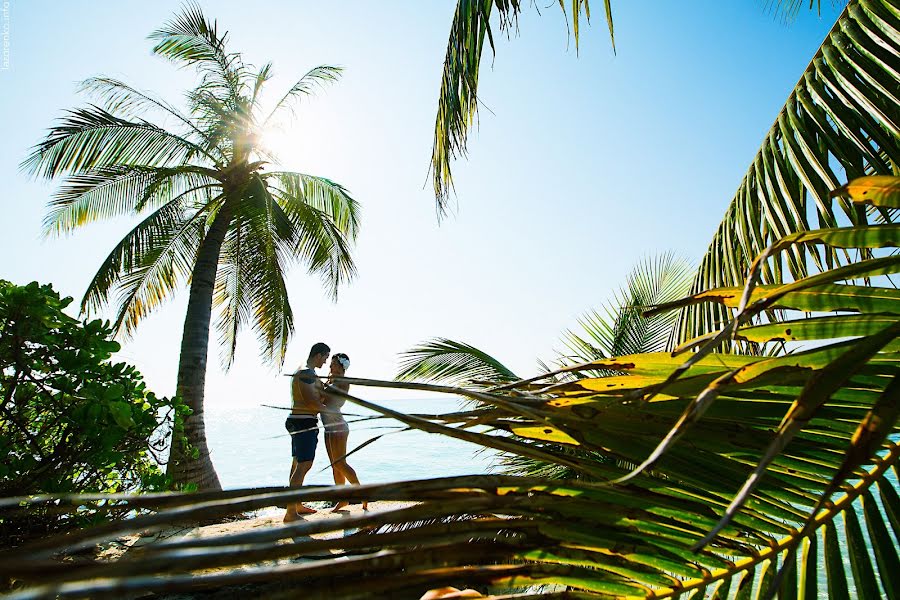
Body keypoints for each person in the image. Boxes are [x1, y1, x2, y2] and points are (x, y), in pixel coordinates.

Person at [283, 342, 330, 523]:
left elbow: (315, 396)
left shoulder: (308, 373)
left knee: (297, 464)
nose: (325, 362)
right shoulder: (306, 373)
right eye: (325, 358)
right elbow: (311, 402)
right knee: (304, 465)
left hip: (299, 421)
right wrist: (331, 412)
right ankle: (290, 512)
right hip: (304, 422)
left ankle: (296, 505)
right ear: (318, 355)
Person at [322, 353, 367, 511]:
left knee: (341, 463)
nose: (330, 366)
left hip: (338, 426)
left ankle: (361, 494)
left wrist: (318, 387)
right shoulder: (331, 381)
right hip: (328, 427)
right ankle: (342, 500)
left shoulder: (343, 382)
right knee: (335, 466)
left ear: (341, 366)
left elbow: (327, 400)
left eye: (333, 364)